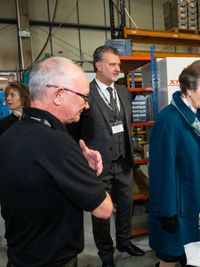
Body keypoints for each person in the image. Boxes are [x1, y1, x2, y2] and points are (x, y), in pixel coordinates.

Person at [0, 56, 113, 267]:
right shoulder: (56, 143)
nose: (86, 105)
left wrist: (78, 167)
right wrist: (87, 174)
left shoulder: (9, 135)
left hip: (19, 256)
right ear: (59, 95)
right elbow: (103, 209)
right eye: (83, 97)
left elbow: (40, 180)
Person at [67, 45, 144, 267]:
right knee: (101, 212)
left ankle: (124, 241)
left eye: (118, 64)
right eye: (112, 64)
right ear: (98, 66)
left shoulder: (123, 92)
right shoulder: (85, 93)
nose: (117, 68)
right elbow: (75, 132)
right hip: (98, 166)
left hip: (124, 162)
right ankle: (105, 252)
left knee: (126, 206)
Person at [148, 60, 200, 267]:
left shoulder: (198, 115)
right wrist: (165, 212)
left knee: (195, 255)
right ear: (188, 90)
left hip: (196, 199)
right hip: (177, 208)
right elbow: (161, 171)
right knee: (170, 257)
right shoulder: (168, 120)